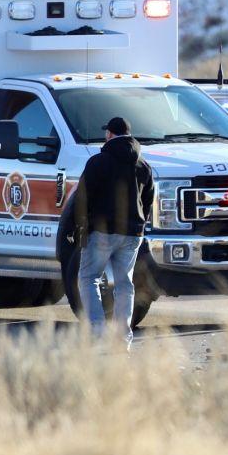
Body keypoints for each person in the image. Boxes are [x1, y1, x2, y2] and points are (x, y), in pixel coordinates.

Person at [68, 115, 154, 345]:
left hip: (102, 232)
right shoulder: (143, 165)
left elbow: (82, 198)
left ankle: (96, 333)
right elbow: (148, 199)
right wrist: (140, 224)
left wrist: (79, 226)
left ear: (109, 134)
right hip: (132, 234)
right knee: (125, 284)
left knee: (88, 278)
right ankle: (122, 340)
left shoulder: (98, 162)